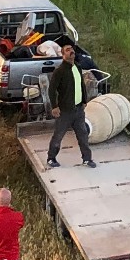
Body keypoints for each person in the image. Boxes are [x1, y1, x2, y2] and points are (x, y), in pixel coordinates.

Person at [45, 41, 95, 169]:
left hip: (78, 110)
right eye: (67, 50)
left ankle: (87, 159)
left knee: (83, 135)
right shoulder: (60, 71)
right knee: (58, 135)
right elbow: (51, 89)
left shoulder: (77, 67)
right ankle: (51, 158)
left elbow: (81, 85)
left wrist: (84, 101)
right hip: (65, 111)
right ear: (63, 54)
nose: (71, 51)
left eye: (71, 49)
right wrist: (54, 106)